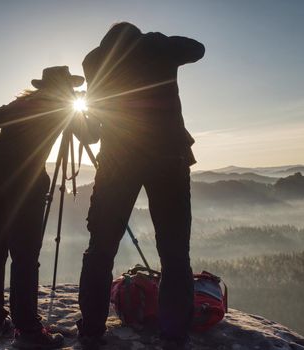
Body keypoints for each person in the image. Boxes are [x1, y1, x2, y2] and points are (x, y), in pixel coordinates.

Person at [77, 23, 205, 350]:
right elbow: (197, 48)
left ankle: (91, 329)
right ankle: (174, 335)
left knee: (101, 248)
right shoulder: (157, 47)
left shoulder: (95, 63)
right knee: (175, 253)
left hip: (119, 161)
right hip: (168, 157)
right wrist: (158, 42)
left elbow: (90, 133)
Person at [0, 66, 84, 349]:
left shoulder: (21, 104)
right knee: (24, 254)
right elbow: (91, 135)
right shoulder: (62, 107)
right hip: (26, 179)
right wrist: (81, 109)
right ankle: (28, 331)